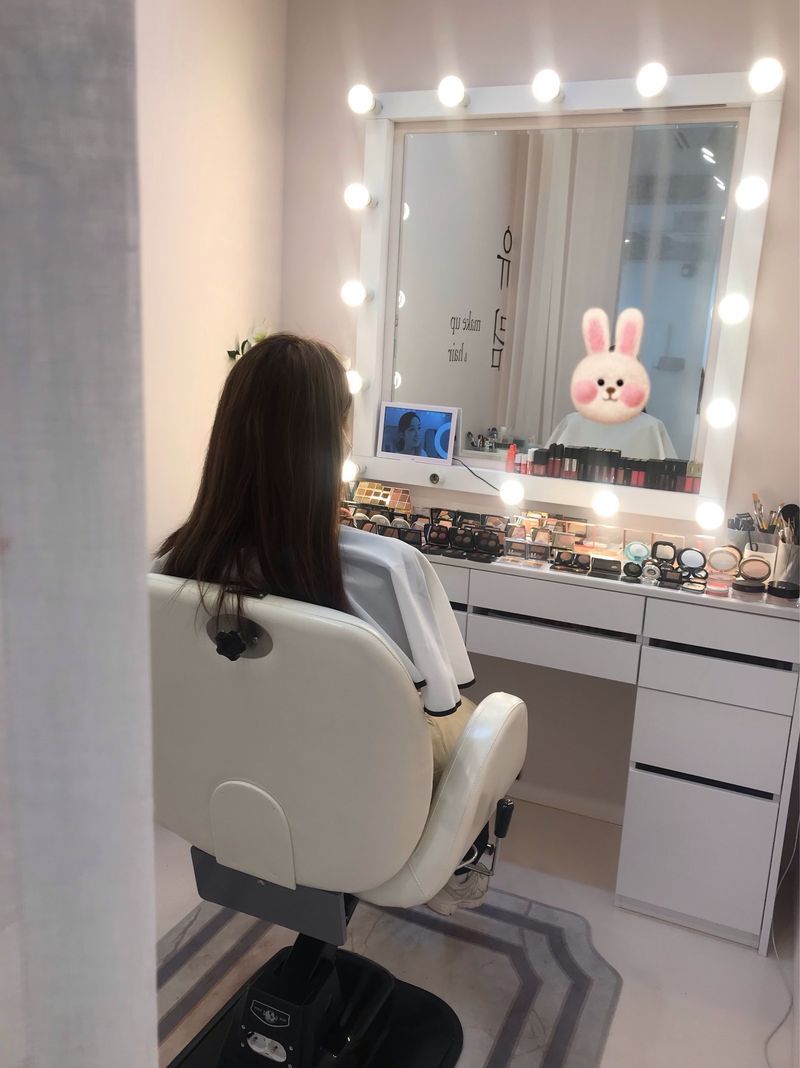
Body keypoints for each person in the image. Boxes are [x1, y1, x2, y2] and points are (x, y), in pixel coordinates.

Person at [153, 333, 487, 915]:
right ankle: (464, 862)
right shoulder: (386, 569)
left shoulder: (172, 570)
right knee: (477, 722)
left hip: (239, 774)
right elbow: (440, 698)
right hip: (354, 803)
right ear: (334, 439)